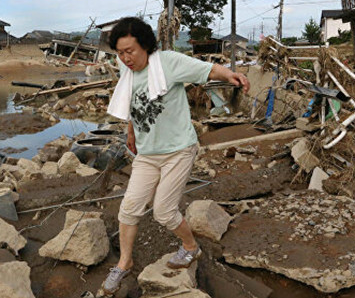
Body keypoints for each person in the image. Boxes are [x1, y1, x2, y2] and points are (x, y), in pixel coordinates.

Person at [101, 17, 250, 295]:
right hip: (147, 153)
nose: (125, 58)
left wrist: (231, 75)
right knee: (128, 209)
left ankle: (191, 248)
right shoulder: (127, 72)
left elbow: (207, 69)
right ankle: (124, 262)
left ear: (145, 45)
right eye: (120, 53)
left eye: (129, 51)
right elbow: (133, 106)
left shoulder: (168, 62)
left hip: (178, 150)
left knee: (164, 211)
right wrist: (131, 134)